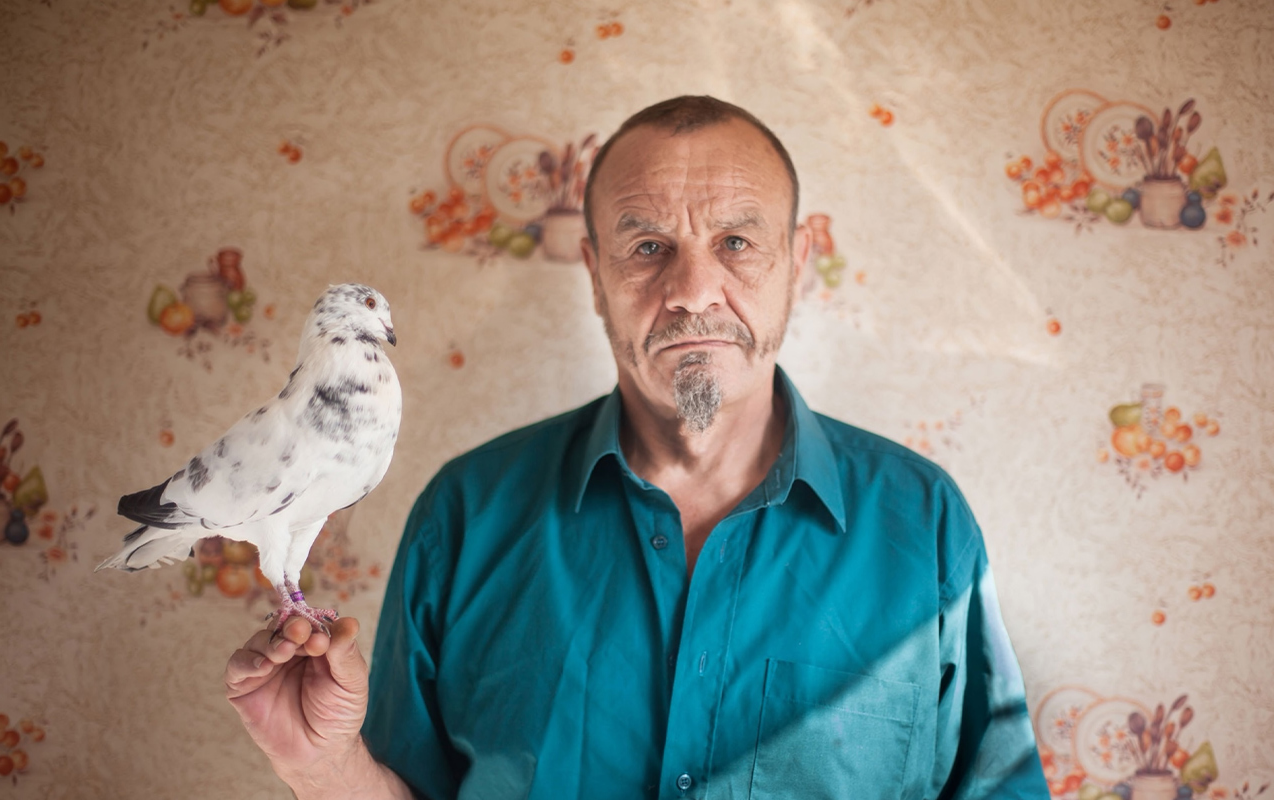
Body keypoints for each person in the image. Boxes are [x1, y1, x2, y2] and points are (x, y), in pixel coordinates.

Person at [225, 96, 1049, 800]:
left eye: (736, 242)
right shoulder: (466, 516)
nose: (692, 291)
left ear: (797, 262)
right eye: (648, 246)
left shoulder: (924, 524)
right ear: (593, 273)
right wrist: (327, 768)